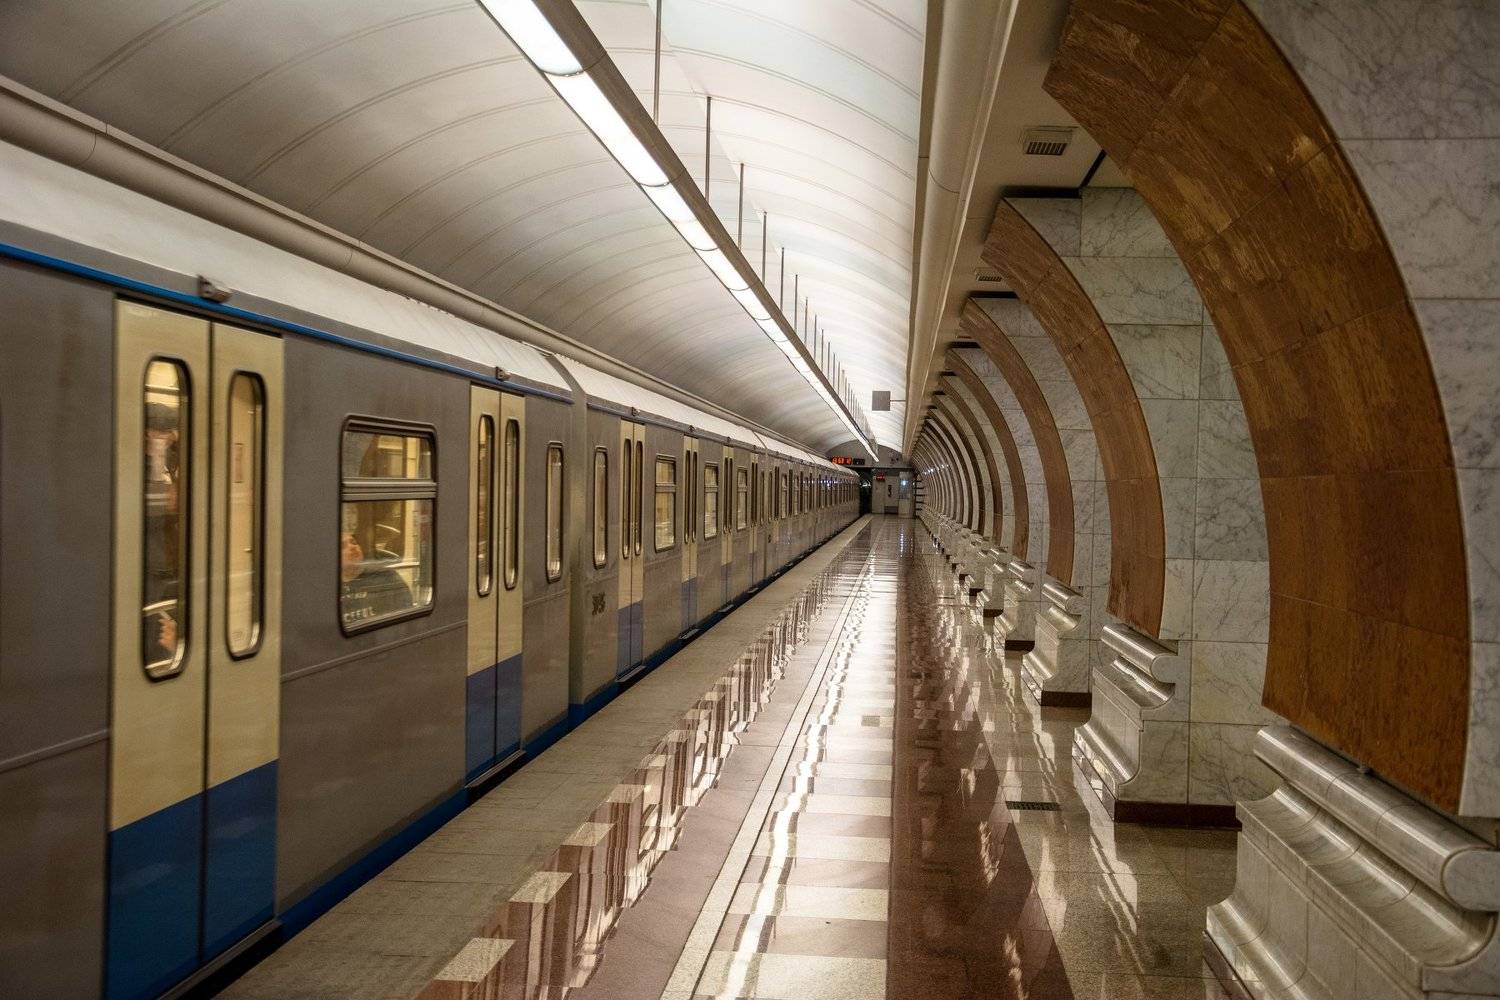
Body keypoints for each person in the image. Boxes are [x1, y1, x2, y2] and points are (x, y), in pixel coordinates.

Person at [340, 530, 412, 629]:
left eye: (354, 542)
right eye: (343, 546)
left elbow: (405, 616)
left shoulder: (386, 577)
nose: (352, 547)